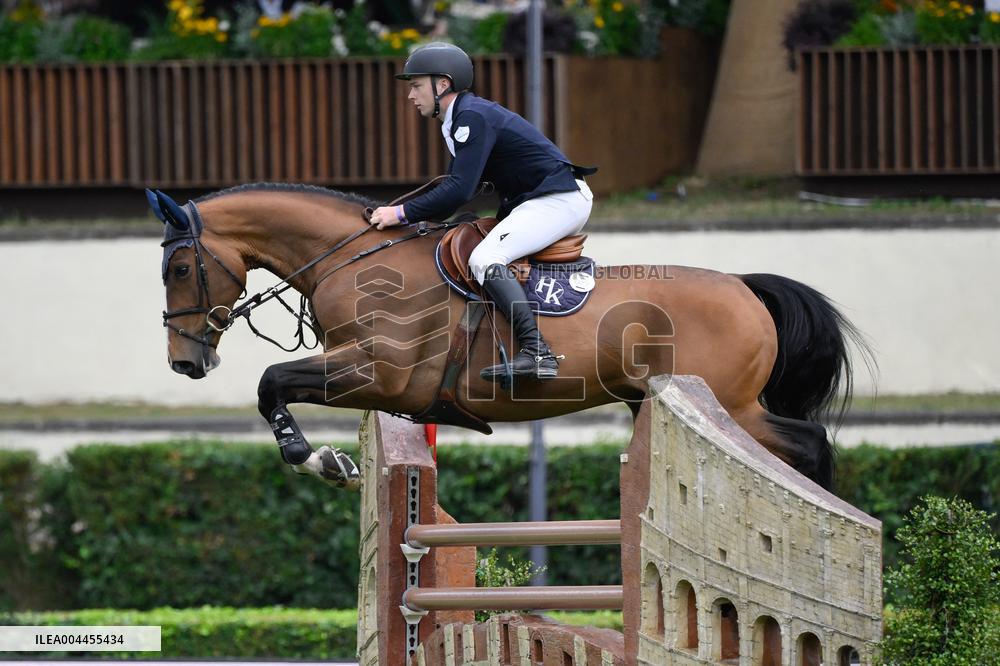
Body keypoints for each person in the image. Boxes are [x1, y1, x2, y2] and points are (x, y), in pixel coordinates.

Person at [367, 42, 594, 383]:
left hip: (559, 200)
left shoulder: (470, 117)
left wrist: (400, 214)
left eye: (416, 85)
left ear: (442, 84)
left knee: (485, 259)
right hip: (541, 199)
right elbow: (462, 191)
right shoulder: (459, 119)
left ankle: (538, 353)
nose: (411, 95)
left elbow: (458, 190)